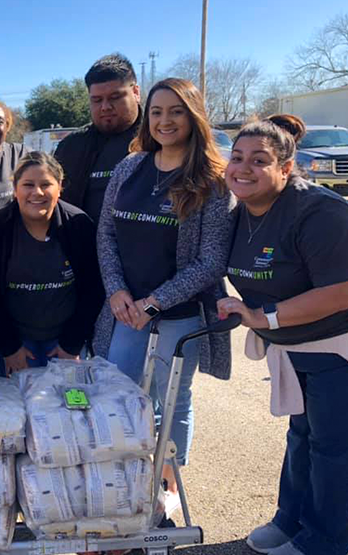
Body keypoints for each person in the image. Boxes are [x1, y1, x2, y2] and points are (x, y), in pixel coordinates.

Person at [94, 78, 235, 516]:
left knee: (171, 400)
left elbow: (211, 261)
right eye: (156, 111)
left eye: (176, 111)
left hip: (178, 313)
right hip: (126, 311)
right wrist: (116, 290)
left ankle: (167, 486)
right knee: (121, 397)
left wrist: (154, 302)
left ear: (193, 116)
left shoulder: (212, 181)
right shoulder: (130, 167)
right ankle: (127, 478)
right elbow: (106, 233)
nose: (165, 120)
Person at [218, 115, 348, 555]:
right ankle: (291, 520)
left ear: (286, 168)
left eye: (259, 160)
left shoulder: (319, 212)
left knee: (334, 447)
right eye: (237, 157)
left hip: (337, 347)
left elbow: (341, 291)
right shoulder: (239, 210)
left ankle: (327, 540)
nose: (243, 168)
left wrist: (264, 317)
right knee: (302, 436)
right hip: (293, 349)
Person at [0, 151, 103, 375]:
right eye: (28, 185)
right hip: (16, 343)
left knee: (65, 397)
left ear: (59, 187)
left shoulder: (79, 226)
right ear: (15, 189)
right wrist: (9, 347)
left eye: (46, 184)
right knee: (20, 397)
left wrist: (72, 343)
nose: (37, 192)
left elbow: (93, 289)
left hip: (65, 342)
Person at [54, 52, 142, 227]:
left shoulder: (160, 142)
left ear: (136, 92)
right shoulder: (70, 147)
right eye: (97, 100)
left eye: (115, 97)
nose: (105, 107)